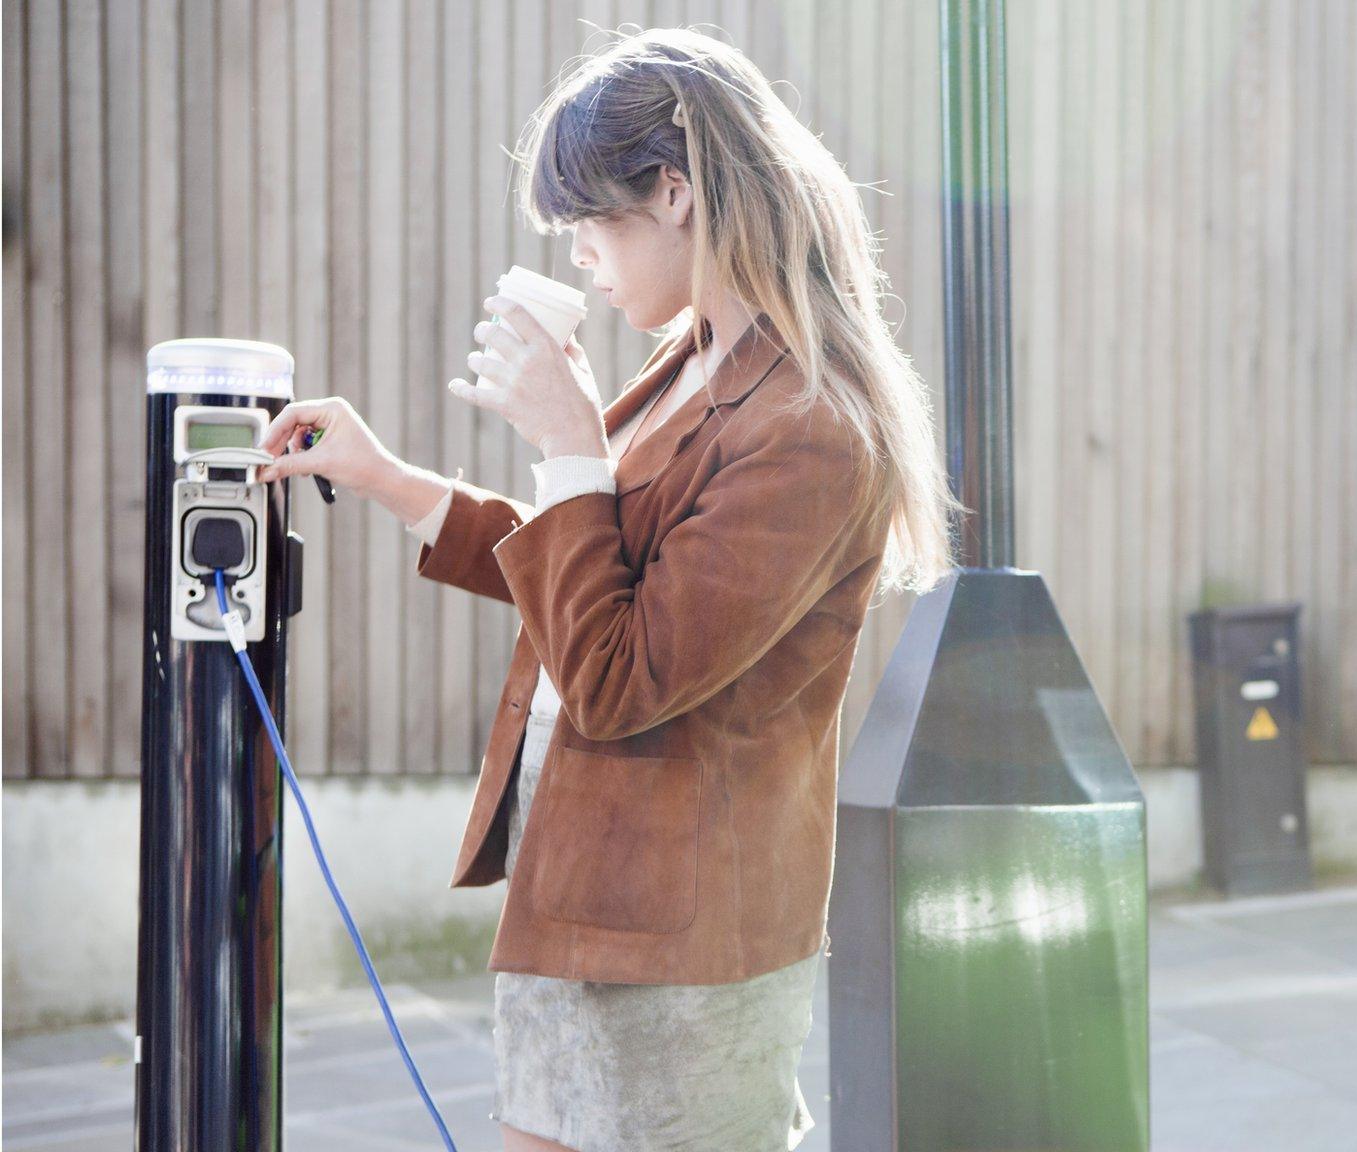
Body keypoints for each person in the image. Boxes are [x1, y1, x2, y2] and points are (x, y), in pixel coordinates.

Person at [254, 25, 961, 1151]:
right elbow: (588, 574)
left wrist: (570, 445)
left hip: (680, 940)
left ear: (675, 192)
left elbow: (622, 675)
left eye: (593, 221)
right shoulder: (695, 359)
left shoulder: (811, 427)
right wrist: (384, 477)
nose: (581, 255)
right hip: (584, 891)